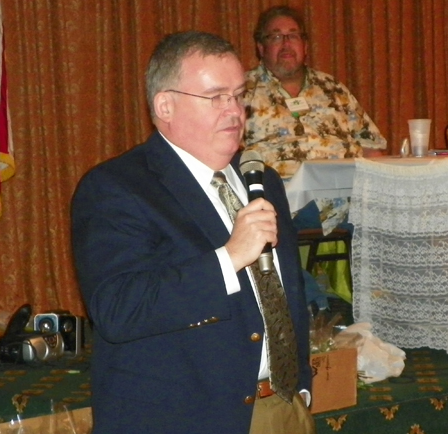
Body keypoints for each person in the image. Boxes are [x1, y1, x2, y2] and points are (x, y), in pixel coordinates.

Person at [71, 31, 315, 434]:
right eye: (216, 97)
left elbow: (289, 291)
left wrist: (300, 388)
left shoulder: (261, 179)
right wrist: (230, 257)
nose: (235, 111)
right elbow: (118, 309)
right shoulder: (117, 188)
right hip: (184, 418)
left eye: (239, 95)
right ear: (165, 105)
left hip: (283, 408)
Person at [244, 5, 387, 234]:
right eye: (276, 36)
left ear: (305, 45)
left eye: (293, 35)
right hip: (286, 206)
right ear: (261, 47)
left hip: (350, 201)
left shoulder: (333, 89)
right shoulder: (242, 93)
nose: (286, 43)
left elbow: (373, 150)